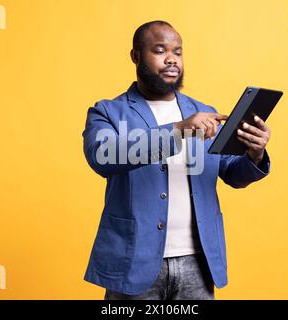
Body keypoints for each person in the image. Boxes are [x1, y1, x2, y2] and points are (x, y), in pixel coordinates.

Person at [82, 20, 272, 300]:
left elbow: (232, 173)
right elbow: (104, 156)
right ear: (135, 56)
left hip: (198, 262)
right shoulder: (109, 112)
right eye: (160, 50)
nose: (171, 59)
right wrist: (180, 129)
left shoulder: (204, 112)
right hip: (134, 262)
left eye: (178, 52)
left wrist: (254, 153)